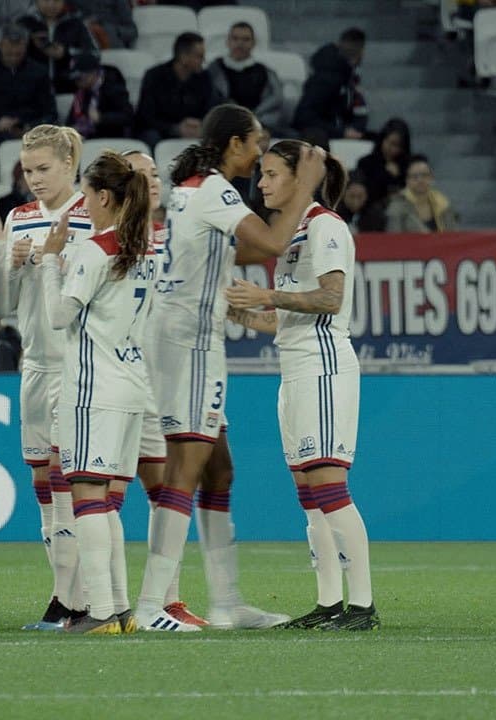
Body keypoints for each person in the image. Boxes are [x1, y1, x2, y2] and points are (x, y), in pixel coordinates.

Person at [135, 103, 324, 632]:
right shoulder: (214, 188)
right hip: (189, 345)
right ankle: (152, 605)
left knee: (219, 470)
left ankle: (226, 603)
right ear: (233, 143)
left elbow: (225, 251)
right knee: (185, 468)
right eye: (255, 142)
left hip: (187, 339)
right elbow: (271, 242)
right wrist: (306, 184)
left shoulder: (192, 189)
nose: (260, 151)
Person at [225, 139, 376, 631]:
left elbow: (332, 299)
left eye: (271, 174)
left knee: (330, 486)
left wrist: (266, 293)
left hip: (324, 367)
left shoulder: (326, 225)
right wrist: (237, 312)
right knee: (308, 492)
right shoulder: (291, 234)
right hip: (293, 368)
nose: (261, 183)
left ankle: (362, 606)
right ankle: (329, 603)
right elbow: (286, 321)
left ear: (298, 178)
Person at [35, 150, 152, 634]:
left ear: (104, 196)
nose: (82, 203)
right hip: (131, 387)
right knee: (105, 500)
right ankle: (120, 608)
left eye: (86, 195)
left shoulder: (96, 250)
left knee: (85, 494)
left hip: (93, 386)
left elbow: (58, 318)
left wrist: (47, 262)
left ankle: (99, 611)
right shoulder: (142, 251)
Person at [0, 125, 95, 629]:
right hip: (33, 362)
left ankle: (71, 600)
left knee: (64, 479)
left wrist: (43, 257)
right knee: (41, 478)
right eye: (28, 170)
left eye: (43, 169)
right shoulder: (18, 218)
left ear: (69, 163)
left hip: (76, 362)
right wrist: (9, 267)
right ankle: (67, 595)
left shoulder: (91, 213)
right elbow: (1, 302)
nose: (34, 179)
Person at [121, 149, 206, 627]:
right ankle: (85, 604)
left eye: (156, 173)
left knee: (165, 492)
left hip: (161, 386)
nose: (152, 181)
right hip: (114, 380)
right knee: (98, 493)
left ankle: (164, 601)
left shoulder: (175, 238)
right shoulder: (108, 241)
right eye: (141, 173)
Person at [0, 24, 59, 146]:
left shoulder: (39, 73)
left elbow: (49, 111)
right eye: (9, 52)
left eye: (18, 53)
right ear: (1, 45)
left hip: (33, 131)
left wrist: (25, 124)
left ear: (25, 46)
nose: (13, 56)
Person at [135, 32, 218, 147]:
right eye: (199, 56)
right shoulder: (154, 76)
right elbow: (145, 116)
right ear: (183, 56)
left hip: (195, 131)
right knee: (151, 136)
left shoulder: (204, 77)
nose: (203, 61)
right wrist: (175, 129)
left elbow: (211, 107)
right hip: (162, 132)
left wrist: (201, 124)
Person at [292, 28, 368, 144]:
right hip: (319, 137)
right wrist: (341, 132)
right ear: (360, 53)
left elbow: (358, 110)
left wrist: (355, 128)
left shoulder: (348, 76)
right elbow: (302, 118)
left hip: (339, 130)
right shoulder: (326, 78)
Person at [206, 23, 285, 130]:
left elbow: (275, 101)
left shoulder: (265, 72)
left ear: (253, 43)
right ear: (227, 42)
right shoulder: (214, 70)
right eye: (235, 38)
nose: (240, 43)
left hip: (258, 125)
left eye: (245, 39)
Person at [18, 0, 100, 95]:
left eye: (56, 1)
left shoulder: (76, 23)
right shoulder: (24, 24)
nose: (51, 4)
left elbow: (94, 54)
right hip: (31, 93)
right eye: (45, 0)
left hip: (70, 92)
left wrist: (66, 53)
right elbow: (9, 56)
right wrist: (30, 45)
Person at [66, 53, 133, 139]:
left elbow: (127, 116)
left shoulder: (114, 87)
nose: (77, 82)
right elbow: (71, 120)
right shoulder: (81, 93)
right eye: (75, 79)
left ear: (93, 73)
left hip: (111, 137)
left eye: (80, 78)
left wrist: (102, 118)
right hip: (86, 138)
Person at [384, 155, 458, 233]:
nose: (420, 180)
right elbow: (393, 241)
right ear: (407, 180)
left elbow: (453, 236)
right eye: (414, 176)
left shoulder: (443, 203)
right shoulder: (396, 208)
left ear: (431, 178)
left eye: (424, 175)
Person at [354, 118, 411, 210]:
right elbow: (365, 190)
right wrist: (385, 174)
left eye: (395, 145)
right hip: (371, 209)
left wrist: (397, 177)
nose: (389, 147)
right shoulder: (365, 162)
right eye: (387, 141)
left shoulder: (408, 166)